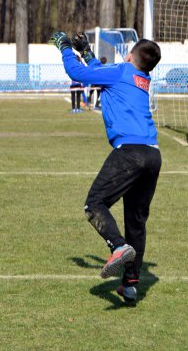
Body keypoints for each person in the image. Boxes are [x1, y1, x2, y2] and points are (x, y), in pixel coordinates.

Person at [50, 31, 162, 303]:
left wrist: (66, 48)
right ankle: (131, 284)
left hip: (130, 153)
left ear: (131, 56)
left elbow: (77, 73)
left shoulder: (122, 71)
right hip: (153, 155)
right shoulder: (141, 78)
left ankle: (118, 246)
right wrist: (87, 52)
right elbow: (102, 73)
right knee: (136, 222)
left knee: (94, 204)